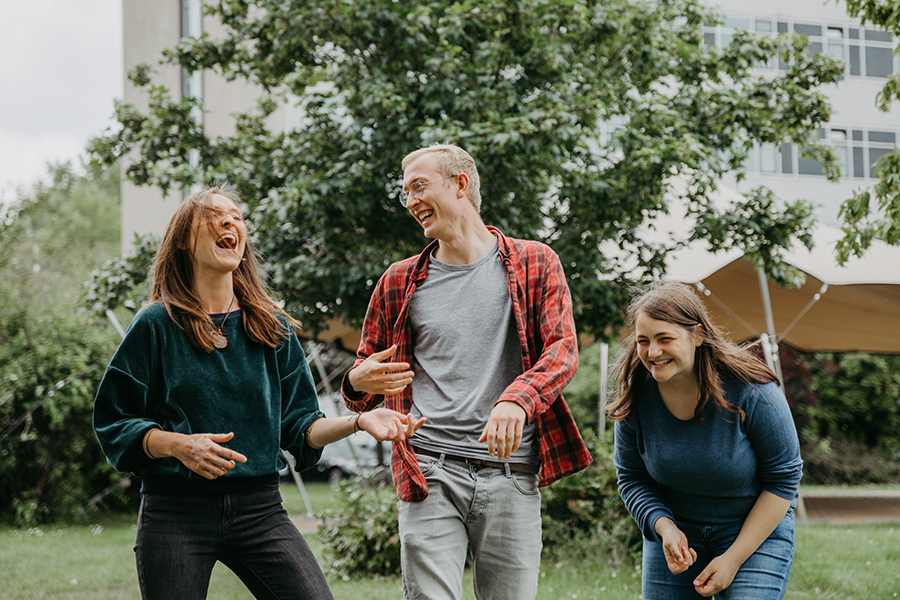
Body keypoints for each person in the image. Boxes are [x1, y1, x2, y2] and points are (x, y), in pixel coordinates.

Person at [93, 186, 424, 600]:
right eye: (214, 217)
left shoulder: (272, 327)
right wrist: (180, 445)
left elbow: (301, 427)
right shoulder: (157, 324)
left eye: (236, 216)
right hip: (175, 513)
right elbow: (114, 421)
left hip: (259, 509)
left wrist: (359, 420)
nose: (230, 222)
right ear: (182, 239)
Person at [341, 144, 592, 600]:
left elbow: (562, 350)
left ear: (460, 184)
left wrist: (518, 398)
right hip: (430, 469)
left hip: (512, 472)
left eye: (420, 186)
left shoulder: (535, 262)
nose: (411, 201)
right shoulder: (399, 281)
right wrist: (356, 383)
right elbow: (364, 373)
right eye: (405, 193)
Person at [607, 282, 803, 599]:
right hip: (676, 531)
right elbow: (632, 477)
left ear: (697, 335)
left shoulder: (752, 391)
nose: (652, 352)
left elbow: (783, 481)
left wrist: (733, 559)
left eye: (665, 339)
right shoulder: (636, 394)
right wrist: (664, 527)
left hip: (751, 530)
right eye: (643, 341)